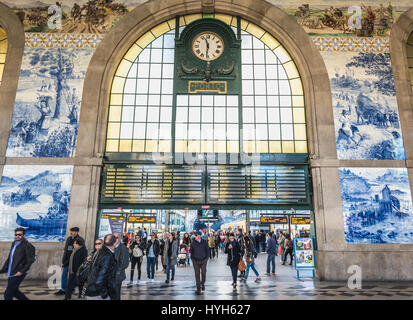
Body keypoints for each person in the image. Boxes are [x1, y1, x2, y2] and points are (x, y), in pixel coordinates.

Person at [0, 227, 36, 300]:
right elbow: (10, 258)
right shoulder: (14, 243)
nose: (17, 236)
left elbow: (30, 260)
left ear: (24, 235)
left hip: (18, 272)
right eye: (16, 234)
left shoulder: (28, 245)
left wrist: (21, 271)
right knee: (15, 291)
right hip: (12, 271)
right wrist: (4, 270)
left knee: (8, 294)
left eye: (19, 235)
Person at [84, 234, 117, 300]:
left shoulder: (98, 252)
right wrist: (104, 295)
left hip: (92, 291)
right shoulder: (107, 256)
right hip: (97, 294)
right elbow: (99, 280)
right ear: (115, 243)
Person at [55, 227, 80, 296]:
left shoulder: (79, 240)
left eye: (74, 231)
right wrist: (64, 262)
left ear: (77, 232)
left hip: (73, 261)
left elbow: (76, 252)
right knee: (64, 275)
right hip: (66, 261)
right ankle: (63, 289)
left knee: (73, 276)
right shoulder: (69, 238)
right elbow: (66, 251)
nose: (72, 232)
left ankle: (72, 289)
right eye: (71, 231)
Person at [113, 232, 129, 300]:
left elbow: (125, 263)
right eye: (113, 238)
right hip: (109, 275)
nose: (114, 239)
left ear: (119, 239)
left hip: (117, 275)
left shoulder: (123, 248)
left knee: (116, 295)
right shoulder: (109, 247)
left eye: (116, 238)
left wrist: (117, 271)